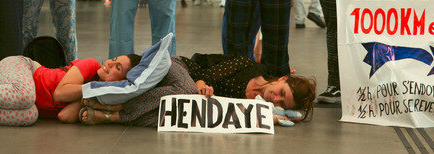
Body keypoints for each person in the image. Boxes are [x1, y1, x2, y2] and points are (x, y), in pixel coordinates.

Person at [78, 54, 316, 127]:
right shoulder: (249, 66)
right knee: (187, 91)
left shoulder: (258, 107)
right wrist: (201, 82)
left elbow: (221, 118)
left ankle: (113, 116)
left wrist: (266, 117)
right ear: (282, 79)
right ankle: (117, 109)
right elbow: (206, 69)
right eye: (281, 92)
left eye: (282, 103)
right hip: (180, 69)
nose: (275, 99)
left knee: (176, 117)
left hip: (181, 97)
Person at [0, 54, 141, 126]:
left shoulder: (95, 95)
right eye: (114, 59)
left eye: (118, 68)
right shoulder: (90, 64)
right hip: (19, 67)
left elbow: (63, 116)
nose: (109, 64)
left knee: (30, 115)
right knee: (27, 96)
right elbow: (60, 94)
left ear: (122, 81)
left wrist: (95, 93)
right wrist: (97, 87)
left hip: (23, 100)